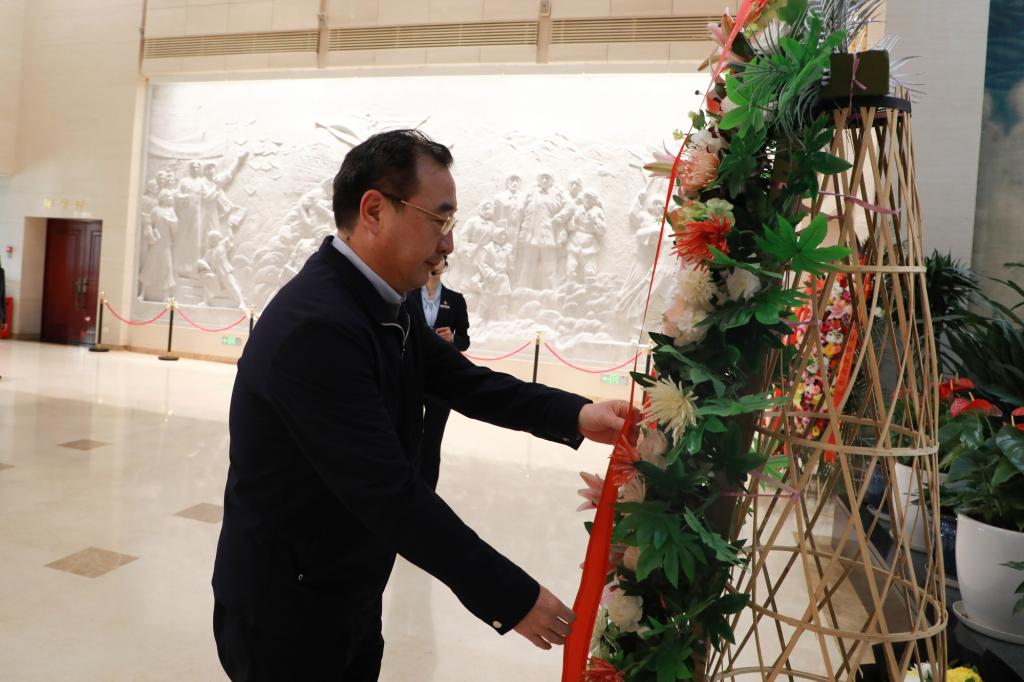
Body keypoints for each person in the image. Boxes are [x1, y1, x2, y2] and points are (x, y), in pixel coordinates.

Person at [211, 129, 635, 681]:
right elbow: (386, 491)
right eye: (439, 219)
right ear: (374, 210)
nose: (448, 243)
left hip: (347, 591)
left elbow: (460, 380)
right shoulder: (317, 326)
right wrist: (509, 595)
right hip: (287, 612)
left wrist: (576, 414)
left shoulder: (386, 299)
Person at [406, 255, 468, 490]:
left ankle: (427, 492)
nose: (435, 261)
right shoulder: (408, 296)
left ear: (445, 264)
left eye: (441, 257)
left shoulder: (455, 300)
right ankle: (407, 488)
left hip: (441, 376)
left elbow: (464, 341)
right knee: (409, 435)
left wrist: (452, 339)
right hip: (411, 374)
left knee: (432, 440)